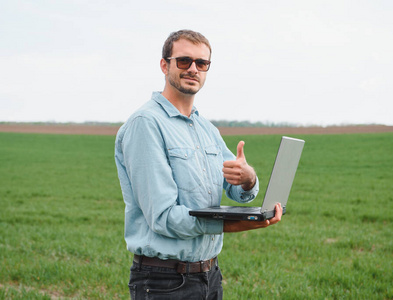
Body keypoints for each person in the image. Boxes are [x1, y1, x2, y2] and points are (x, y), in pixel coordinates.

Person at [114, 29, 282, 300]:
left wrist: (248, 178)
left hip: (210, 274)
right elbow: (163, 217)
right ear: (164, 65)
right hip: (163, 282)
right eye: (184, 61)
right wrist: (233, 223)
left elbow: (237, 188)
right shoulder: (146, 124)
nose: (193, 69)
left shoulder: (206, 129)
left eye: (201, 63)